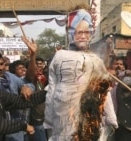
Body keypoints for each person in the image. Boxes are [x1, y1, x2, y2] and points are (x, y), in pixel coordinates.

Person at [43, 6, 118, 141]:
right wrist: (49, 120)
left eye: (86, 32)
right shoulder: (60, 56)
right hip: (63, 117)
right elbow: (52, 89)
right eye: (78, 32)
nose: (83, 36)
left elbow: (104, 91)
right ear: (71, 33)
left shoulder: (97, 60)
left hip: (90, 115)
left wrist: (111, 118)